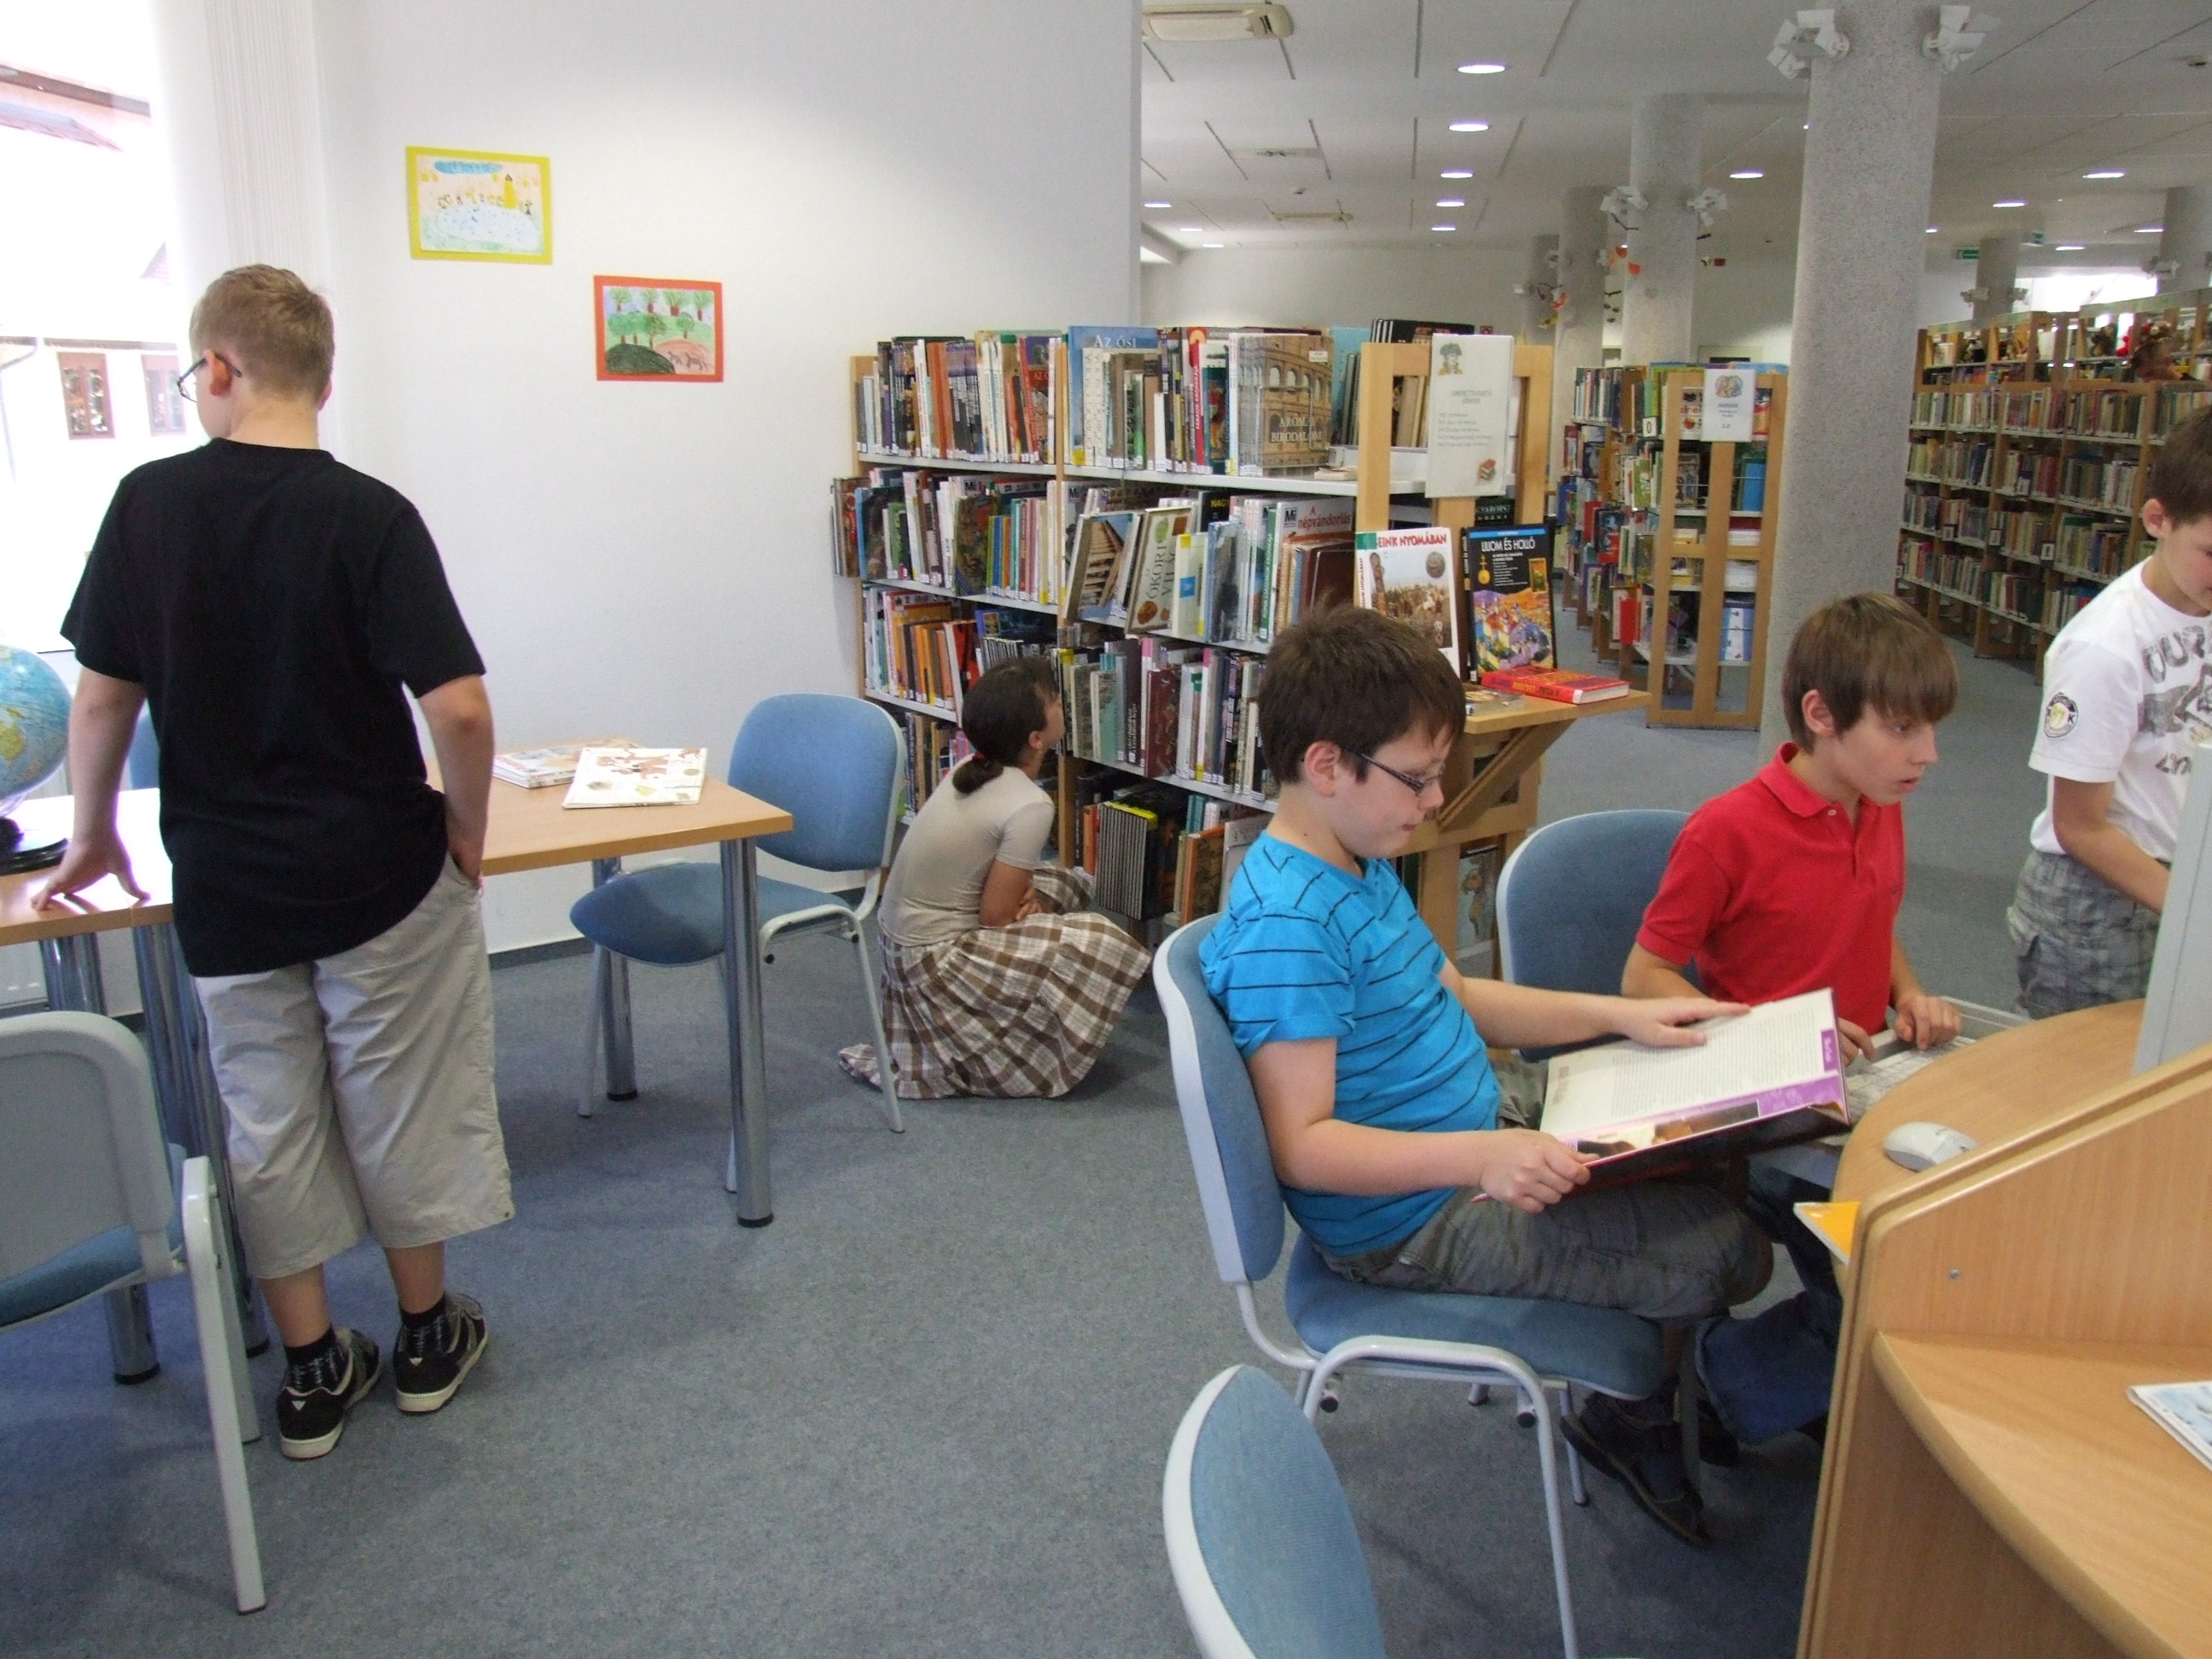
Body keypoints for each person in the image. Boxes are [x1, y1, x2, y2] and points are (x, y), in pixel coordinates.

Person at [38, 265, 506, 1462]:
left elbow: (101, 700)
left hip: (230, 883)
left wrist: (90, 833)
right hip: (378, 874)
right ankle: (424, 1339)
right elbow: (457, 707)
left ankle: (310, 1372)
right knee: (400, 1099)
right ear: (325, 382)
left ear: (218, 370)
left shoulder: (146, 505)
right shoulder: (372, 515)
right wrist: (466, 829)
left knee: (267, 1121)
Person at [1199, 604, 1768, 1545]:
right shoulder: (1289, 928)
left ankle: (1665, 1375)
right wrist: (1481, 1159)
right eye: (1418, 778)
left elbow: (1459, 997)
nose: (1434, 801)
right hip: (1416, 1219)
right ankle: (1632, 1416)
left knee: (1712, 1133)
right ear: (1327, 765)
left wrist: (1620, 1016)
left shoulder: (1353, 856)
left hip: (1476, 1124)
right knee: (1728, 1251)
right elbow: (1302, 1149)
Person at [1621, 591, 1961, 1450]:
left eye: (1930, 729)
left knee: (1957, 1237)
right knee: (1880, 1300)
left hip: (1863, 1085)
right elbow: (1644, 979)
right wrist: (1775, 1033)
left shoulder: (1880, 802)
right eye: (1902, 729)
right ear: (1821, 715)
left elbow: (1871, 916)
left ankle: (1795, 1386)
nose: (1928, 754)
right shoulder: (1728, 833)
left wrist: (1909, 991)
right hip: (1768, 1120)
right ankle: (1704, 1382)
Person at [838, 657, 1149, 1098]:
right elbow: (996, 917)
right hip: (933, 962)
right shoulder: (1031, 804)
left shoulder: (971, 767)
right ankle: (1011, 1055)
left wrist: (1032, 899)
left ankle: (1008, 1021)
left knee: (1068, 883)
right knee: (1101, 940)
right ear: (1036, 739)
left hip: (900, 947)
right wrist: (1029, 904)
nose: (1061, 704)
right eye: (1055, 701)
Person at [2009, 407, 2212, 1016]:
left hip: (2181, 878)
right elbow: (2080, 826)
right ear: (2157, 520)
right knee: (2098, 1066)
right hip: (2094, 908)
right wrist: (2192, 910)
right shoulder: (2104, 647)